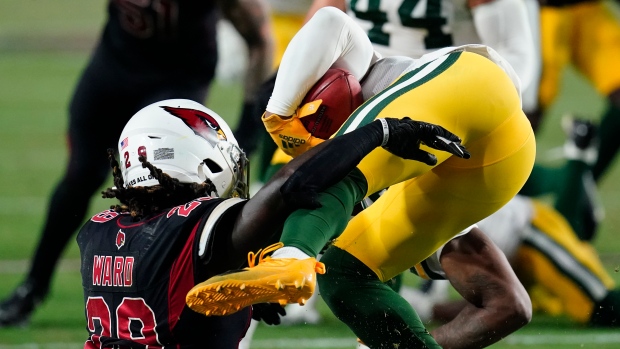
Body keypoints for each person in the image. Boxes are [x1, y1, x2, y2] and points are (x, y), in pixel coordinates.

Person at [185, 7, 535, 348]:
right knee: (342, 275)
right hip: (495, 162)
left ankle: (291, 256)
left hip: (478, 83)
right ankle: (291, 257)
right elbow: (509, 305)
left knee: (343, 170)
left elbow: (332, 22)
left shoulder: (374, 76)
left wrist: (278, 114)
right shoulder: (398, 199)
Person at [76, 98, 455, 347]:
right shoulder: (195, 226)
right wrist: (379, 131)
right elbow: (290, 185)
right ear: (196, 158)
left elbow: (157, 285)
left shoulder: (96, 231)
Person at [0, 0, 275, 328]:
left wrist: (249, 118)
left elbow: (260, 38)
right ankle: (33, 287)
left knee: (171, 194)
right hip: (113, 71)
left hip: (176, 80)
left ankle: (201, 293)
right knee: (79, 177)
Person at [400, 194, 620, 328]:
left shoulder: (423, 223)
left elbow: (489, 302)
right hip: (508, 254)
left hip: (529, 231)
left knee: (600, 306)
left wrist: (425, 307)